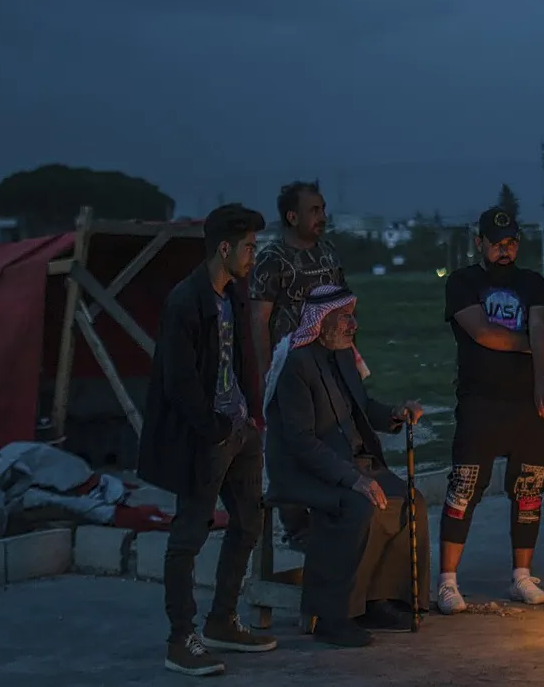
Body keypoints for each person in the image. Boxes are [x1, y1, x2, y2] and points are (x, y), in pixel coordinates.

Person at [136, 204, 278, 677]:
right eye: (249, 248)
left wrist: (249, 415)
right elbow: (178, 381)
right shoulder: (186, 301)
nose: (253, 256)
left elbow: (238, 358)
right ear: (224, 248)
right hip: (206, 436)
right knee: (189, 535)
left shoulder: (233, 294)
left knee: (249, 523)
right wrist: (211, 427)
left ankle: (222, 621)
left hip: (239, 429)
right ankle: (181, 639)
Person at [265, 285, 429, 648]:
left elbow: (361, 406)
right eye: (345, 317)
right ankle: (332, 616)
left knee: (410, 501)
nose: (353, 325)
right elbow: (301, 442)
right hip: (308, 470)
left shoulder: (342, 356)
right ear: (321, 322)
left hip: (350, 462)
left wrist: (394, 414)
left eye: (353, 316)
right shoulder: (296, 366)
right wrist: (352, 479)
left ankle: (378, 600)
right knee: (359, 506)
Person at [435, 207, 544, 614]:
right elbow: (484, 333)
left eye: (511, 242)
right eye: (496, 244)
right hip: (480, 402)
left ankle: (521, 576)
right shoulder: (463, 282)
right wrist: (538, 349)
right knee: (464, 488)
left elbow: (541, 324)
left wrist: (542, 379)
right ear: (480, 244)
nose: (504, 250)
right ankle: (447, 581)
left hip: (527, 403)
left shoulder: (532, 282)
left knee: (529, 489)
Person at [249, 180, 344, 372]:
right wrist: (266, 372)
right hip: (291, 368)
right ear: (292, 217)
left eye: (323, 210)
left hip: (332, 363)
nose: (323, 217)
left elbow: (344, 305)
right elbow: (259, 321)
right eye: (314, 211)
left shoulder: (328, 253)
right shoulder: (271, 259)